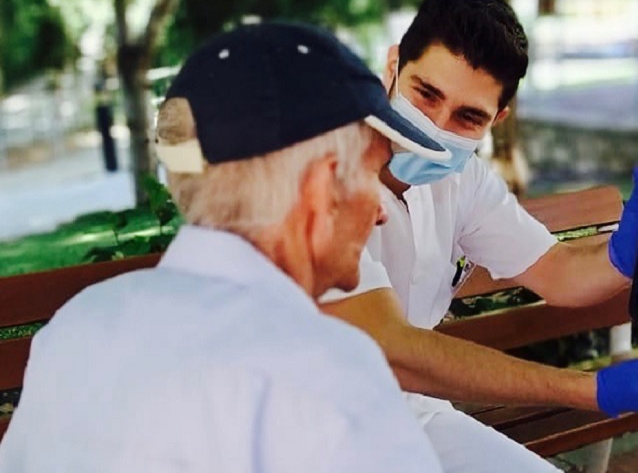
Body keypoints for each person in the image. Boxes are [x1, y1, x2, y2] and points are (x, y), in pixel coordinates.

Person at [320, 0, 638, 472]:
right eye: (426, 94)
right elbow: (392, 351)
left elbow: (557, 272)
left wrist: (628, 256)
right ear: (393, 66)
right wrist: (591, 391)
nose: (435, 127)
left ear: (497, 119)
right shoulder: (320, 174)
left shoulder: (463, 179)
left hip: (412, 414)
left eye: (468, 116)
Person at [0, 23, 449, 473]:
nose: (381, 211)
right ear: (321, 189)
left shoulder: (77, 326)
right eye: (372, 174)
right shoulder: (324, 372)